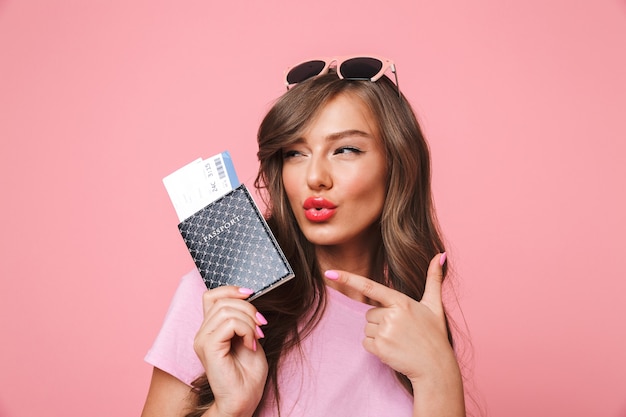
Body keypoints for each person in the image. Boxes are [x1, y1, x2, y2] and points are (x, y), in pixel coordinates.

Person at [141, 56, 467, 417]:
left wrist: (439, 377)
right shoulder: (223, 299)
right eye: (296, 153)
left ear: (398, 164)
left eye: (345, 149)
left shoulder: (417, 325)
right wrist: (229, 408)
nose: (315, 177)